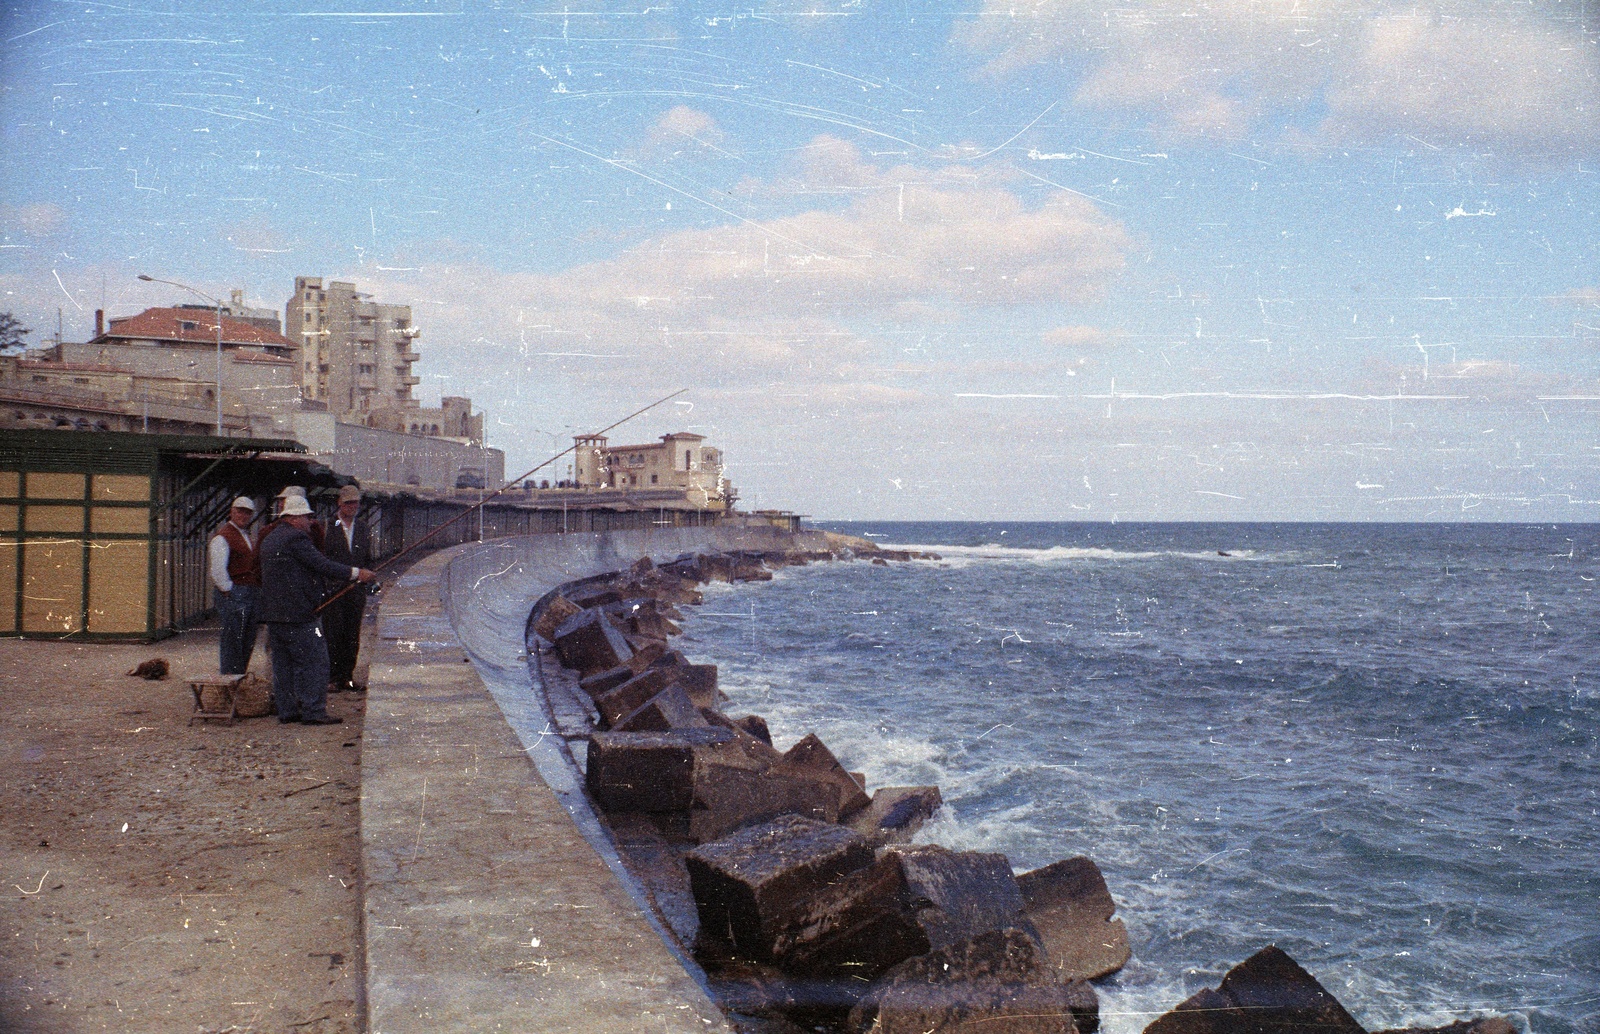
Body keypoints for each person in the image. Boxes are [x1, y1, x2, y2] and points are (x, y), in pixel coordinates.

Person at [258, 495, 376, 725]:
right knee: (316, 662)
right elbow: (322, 564)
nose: (310, 522)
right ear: (293, 518)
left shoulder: (270, 538)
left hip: (274, 614)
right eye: (306, 517)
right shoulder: (296, 539)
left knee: (284, 665)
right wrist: (357, 573)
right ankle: (314, 711)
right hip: (299, 614)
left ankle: (288, 711)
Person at [321, 484, 373, 693]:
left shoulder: (362, 528)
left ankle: (347, 677)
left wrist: (369, 574)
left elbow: (367, 559)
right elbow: (321, 561)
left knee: (352, 634)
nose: (352, 506)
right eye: (348, 502)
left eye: (355, 502)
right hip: (333, 591)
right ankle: (332, 677)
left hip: (356, 591)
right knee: (333, 634)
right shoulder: (326, 526)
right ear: (339, 503)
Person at [208, 496, 260, 675]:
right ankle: (230, 678)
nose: (243, 515)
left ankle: (240, 676)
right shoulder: (223, 537)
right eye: (240, 511)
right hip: (235, 593)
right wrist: (231, 591)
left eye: (247, 512)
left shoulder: (245, 535)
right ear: (231, 511)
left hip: (248, 591)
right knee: (233, 639)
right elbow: (218, 571)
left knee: (246, 638)